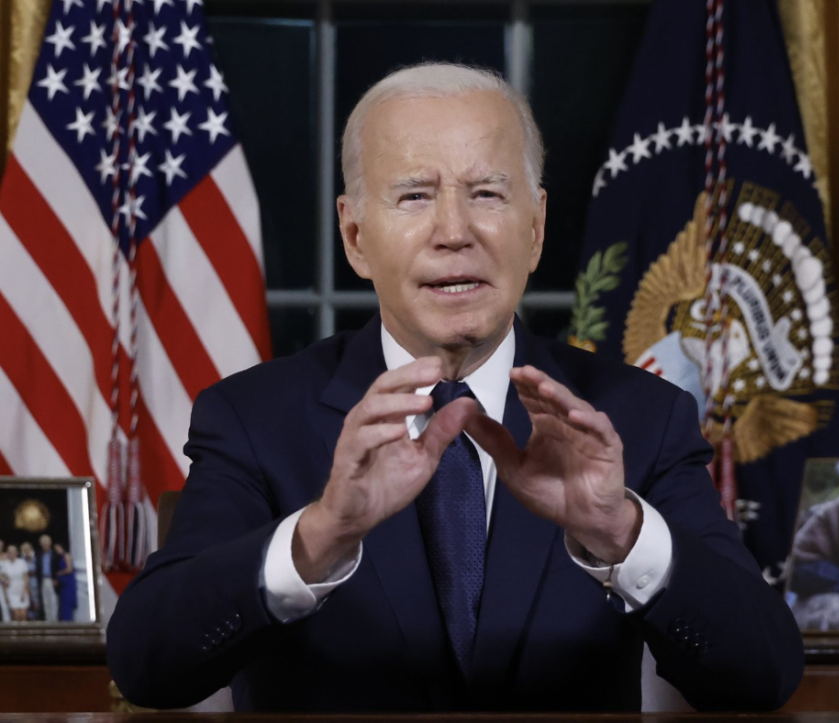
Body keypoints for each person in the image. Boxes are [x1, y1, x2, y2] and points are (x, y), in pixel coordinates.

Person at [107, 62, 803, 713]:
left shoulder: (640, 417)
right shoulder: (255, 418)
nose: (454, 231)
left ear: (534, 230)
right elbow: (148, 665)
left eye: (487, 194)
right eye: (415, 195)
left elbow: (763, 672)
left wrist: (618, 532)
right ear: (355, 235)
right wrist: (322, 534)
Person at [0, 544, 30, 622]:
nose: (12, 554)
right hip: (11, 591)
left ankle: (25, 633)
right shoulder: (5, 564)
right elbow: (2, 577)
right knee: (16, 615)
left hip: (21, 589)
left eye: (13, 552)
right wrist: (4, 581)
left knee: (23, 614)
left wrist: (24, 592)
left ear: (16, 553)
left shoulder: (22, 562)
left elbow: (26, 578)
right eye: (10, 552)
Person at [36, 534, 58, 622]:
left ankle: (54, 621)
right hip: (43, 580)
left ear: (49, 544)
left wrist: (57, 579)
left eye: (46, 543)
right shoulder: (39, 555)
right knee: (45, 602)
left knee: (53, 601)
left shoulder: (54, 554)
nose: (44, 545)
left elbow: (58, 567)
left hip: (52, 579)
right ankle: (48, 621)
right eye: (42, 543)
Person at [53, 542, 77, 622]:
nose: (57, 550)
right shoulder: (59, 558)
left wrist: (60, 573)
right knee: (62, 605)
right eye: (56, 549)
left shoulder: (67, 555)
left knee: (67, 604)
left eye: (58, 548)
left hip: (68, 583)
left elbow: (69, 569)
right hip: (63, 584)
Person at [20, 542, 40, 621]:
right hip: (24, 582)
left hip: (35, 581)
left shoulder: (35, 558)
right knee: (28, 600)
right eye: (25, 549)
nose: (26, 550)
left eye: (28, 548)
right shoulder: (21, 559)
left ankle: (37, 617)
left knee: (36, 600)